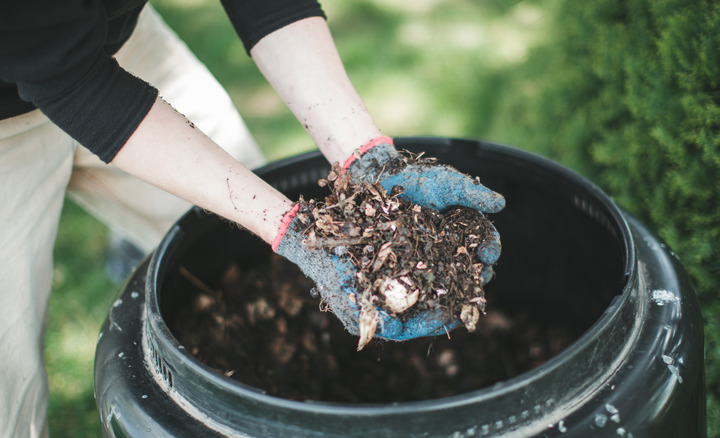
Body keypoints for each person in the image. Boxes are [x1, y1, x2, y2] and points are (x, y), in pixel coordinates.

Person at [0, 1, 504, 435]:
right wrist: (292, 229)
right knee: (9, 389)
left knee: (248, 274)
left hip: (110, 44)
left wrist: (365, 156)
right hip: (25, 94)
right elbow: (69, 79)